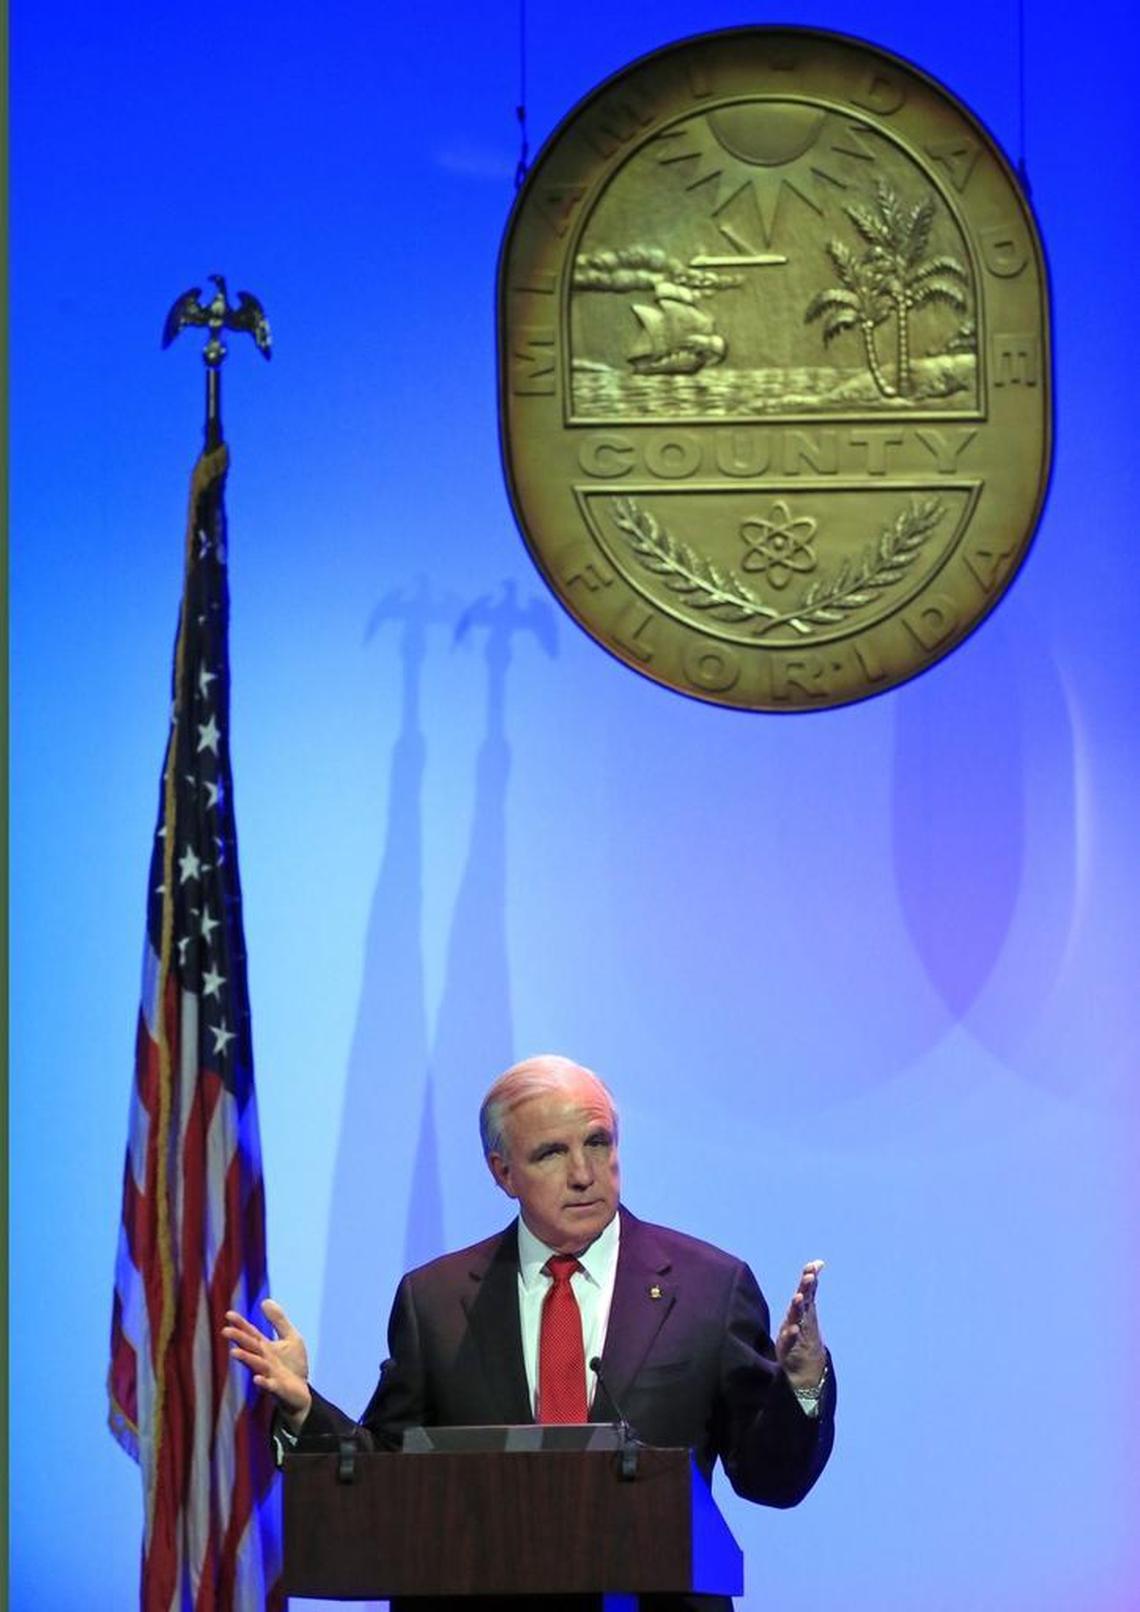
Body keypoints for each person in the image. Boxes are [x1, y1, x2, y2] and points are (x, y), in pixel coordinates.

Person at [224, 1054, 835, 1611]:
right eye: (551, 1153)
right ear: (502, 1172)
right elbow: (392, 1476)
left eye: (599, 1143)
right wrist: (307, 1412)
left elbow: (770, 1479)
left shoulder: (709, 1287)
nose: (583, 1173)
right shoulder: (434, 1300)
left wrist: (802, 1384)